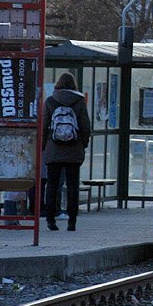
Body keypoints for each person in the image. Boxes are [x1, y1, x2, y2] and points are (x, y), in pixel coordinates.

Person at [42, 72, 91, 231]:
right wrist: (82, 144)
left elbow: (44, 126)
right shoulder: (79, 101)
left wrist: (45, 145)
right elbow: (85, 127)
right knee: (72, 186)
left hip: (53, 150)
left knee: (52, 185)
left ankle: (50, 219)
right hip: (73, 150)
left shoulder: (50, 101)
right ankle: (72, 222)